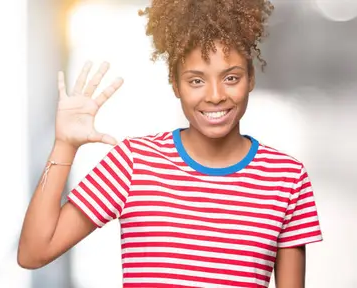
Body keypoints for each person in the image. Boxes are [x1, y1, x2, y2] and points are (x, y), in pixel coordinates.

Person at [17, 0, 323, 287]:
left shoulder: (287, 177)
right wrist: (64, 145)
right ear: (175, 84)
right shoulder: (134, 163)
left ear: (251, 78)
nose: (215, 95)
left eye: (230, 78)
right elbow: (33, 252)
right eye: (196, 80)